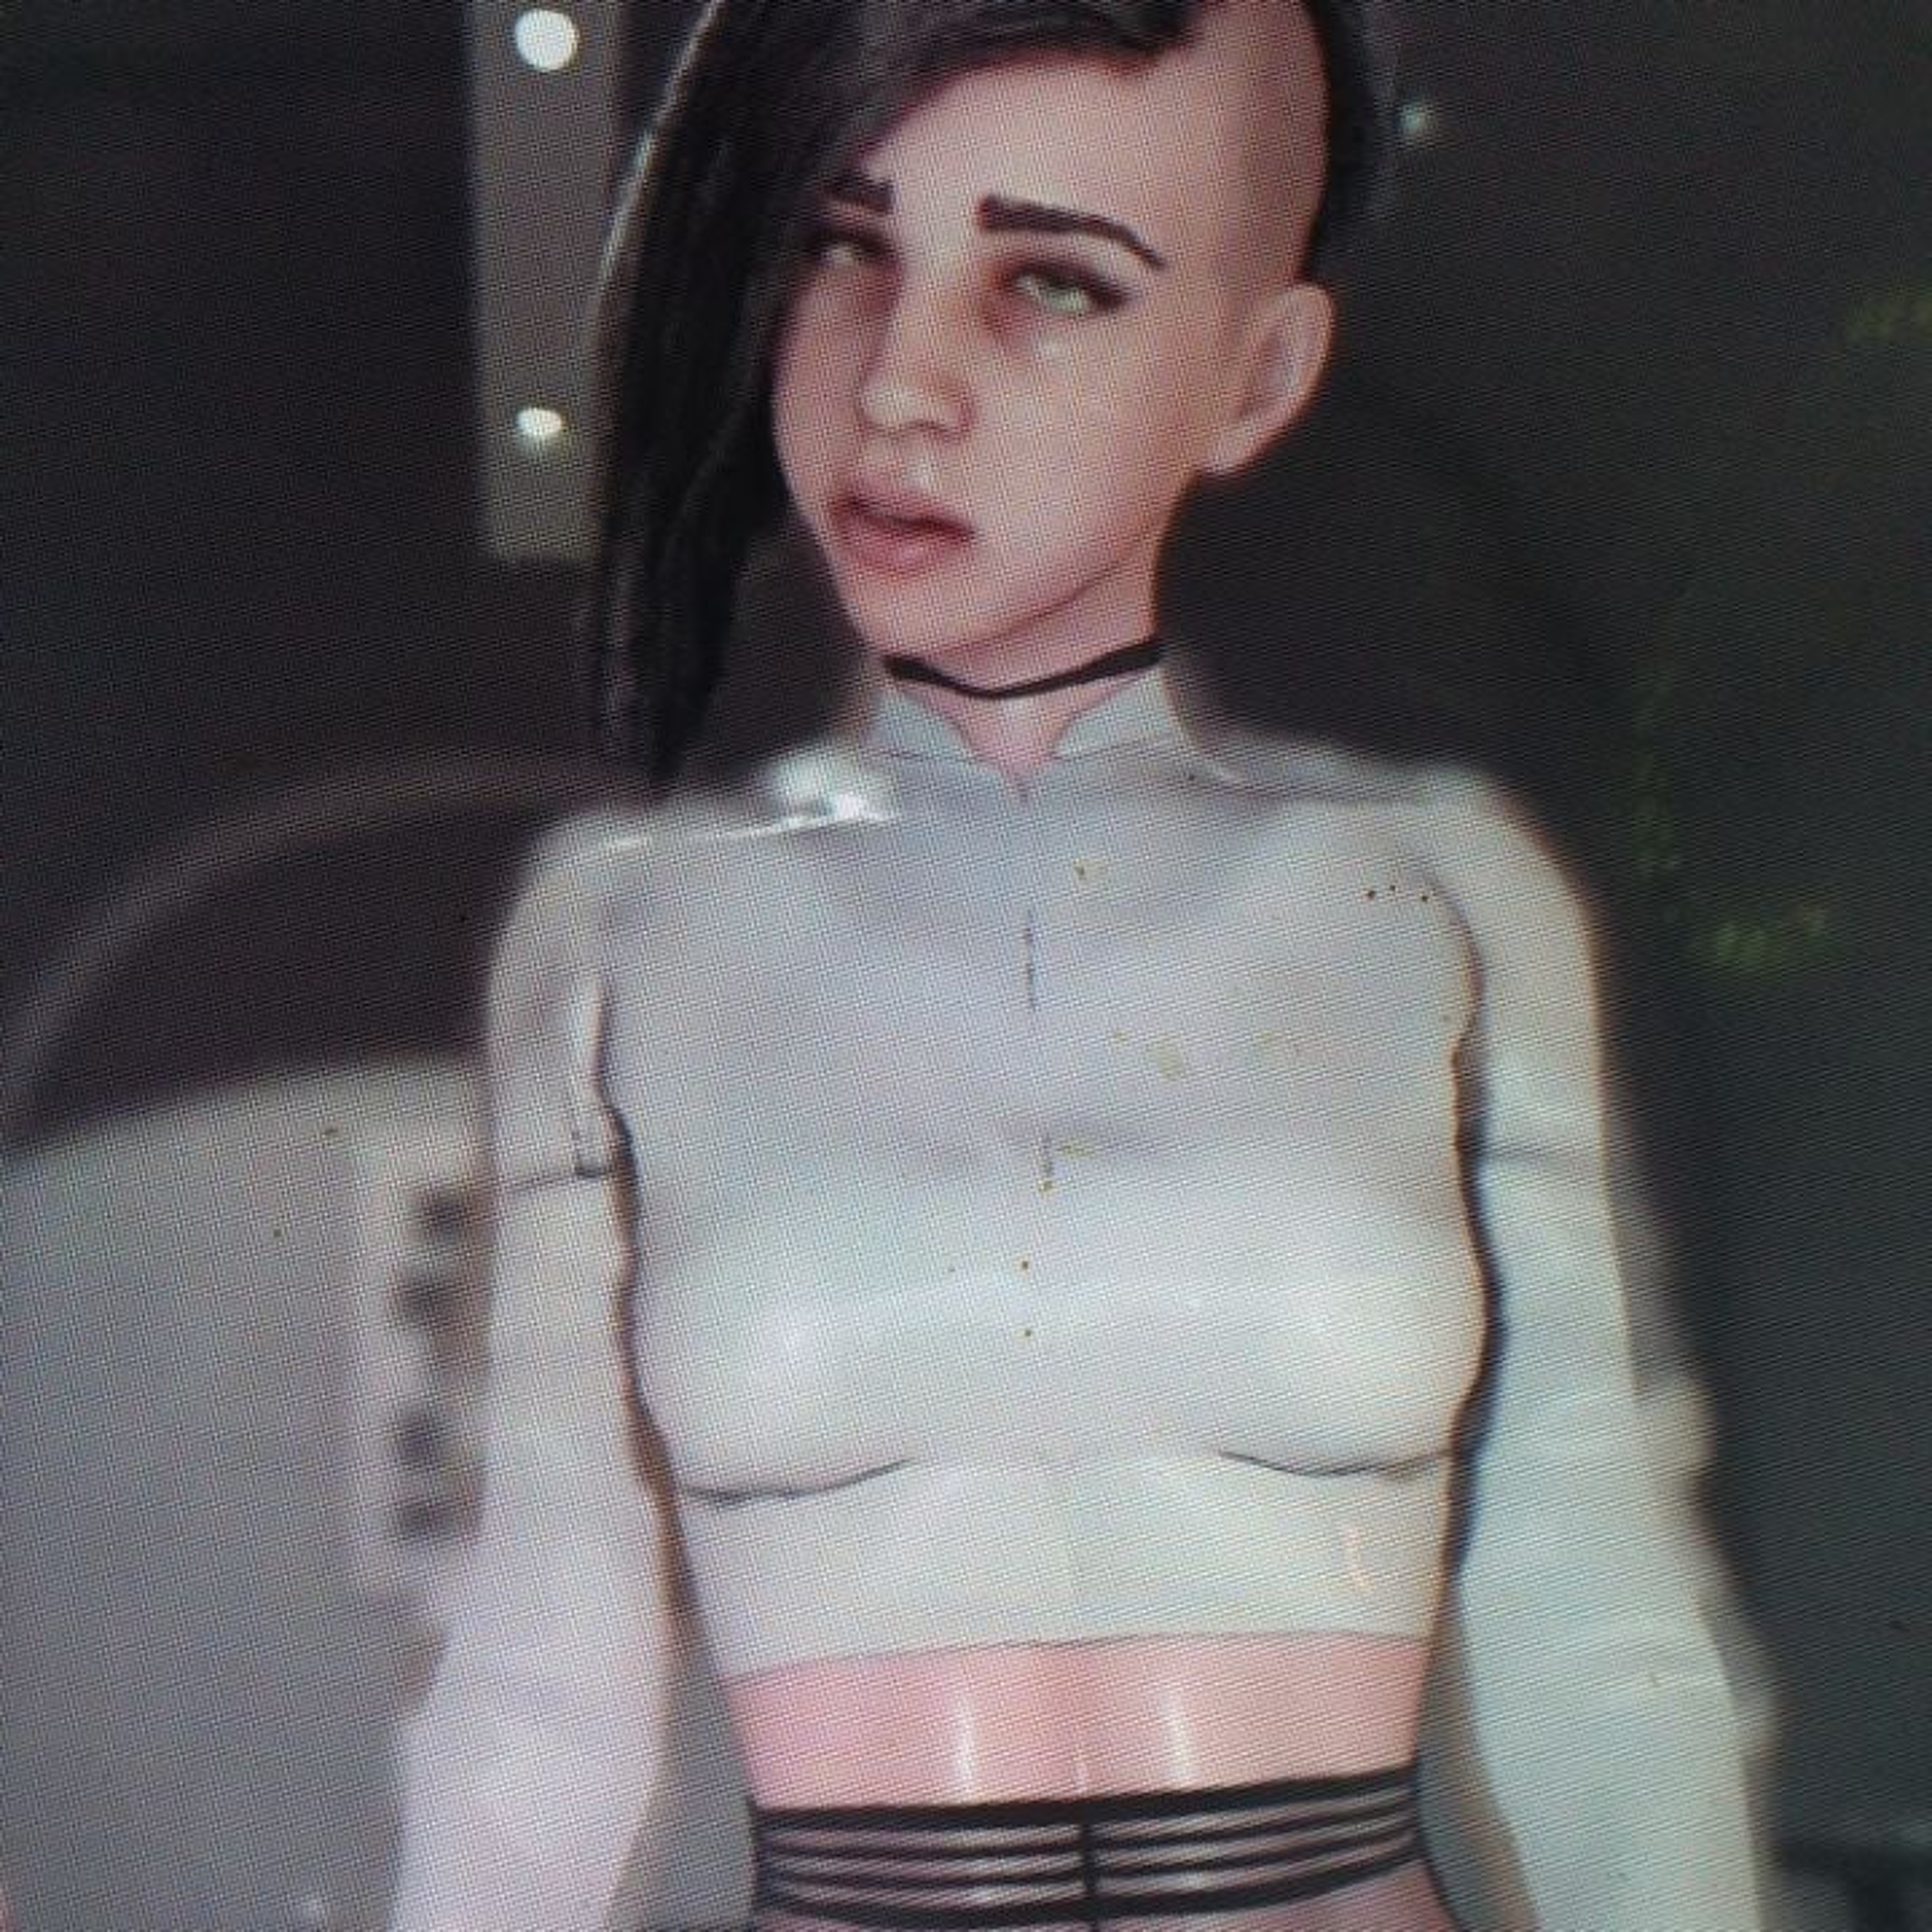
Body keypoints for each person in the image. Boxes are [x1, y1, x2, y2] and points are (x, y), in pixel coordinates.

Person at [388, 1, 1767, 1926]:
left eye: (1051, 280)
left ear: (1258, 377)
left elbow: (1598, 1634)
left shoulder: (1439, 899)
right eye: (841, 247)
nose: (900, 386)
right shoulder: (623, 936)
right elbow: (543, 1683)